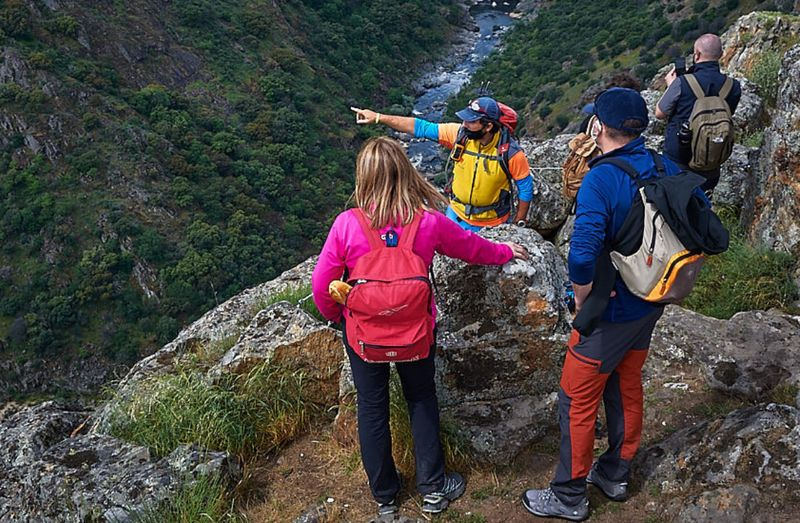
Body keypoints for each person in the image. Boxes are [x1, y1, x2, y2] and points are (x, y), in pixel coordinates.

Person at [312, 136, 528, 517]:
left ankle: (385, 496)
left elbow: (320, 287)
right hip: (415, 332)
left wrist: (339, 318)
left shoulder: (347, 225)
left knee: (372, 408)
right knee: (421, 399)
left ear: (364, 178)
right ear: (405, 173)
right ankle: (433, 486)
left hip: (364, 337)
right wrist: (506, 251)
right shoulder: (426, 222)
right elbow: (472, 248)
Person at [521, 88, 683, 521]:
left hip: (610, 310)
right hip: (650, 300)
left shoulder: (601, 178)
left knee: (576, 398)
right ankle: (615, 474)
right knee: (626, 383)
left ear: (599, 126)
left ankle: (569, 495)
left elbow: (581, 254)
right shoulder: (663, 165)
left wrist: (582, 300)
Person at [350, 97, 533, 231]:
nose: (465, 124)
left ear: (488, 126)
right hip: (455, 216)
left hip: (491, 224)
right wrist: (378, 117)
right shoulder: (460, 136)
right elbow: (420, 127)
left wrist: (519, 222)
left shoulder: (510, 153)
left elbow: (525, 188)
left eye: (471, 121)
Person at [655, 33, 741, 194]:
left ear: (697, 55)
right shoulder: (733, 86)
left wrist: (671, 86)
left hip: (679, 159)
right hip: (711, 158)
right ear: (721, 55)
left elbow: (660, 112)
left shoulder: (682, 82)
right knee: (703, 204)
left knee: (674, 203)